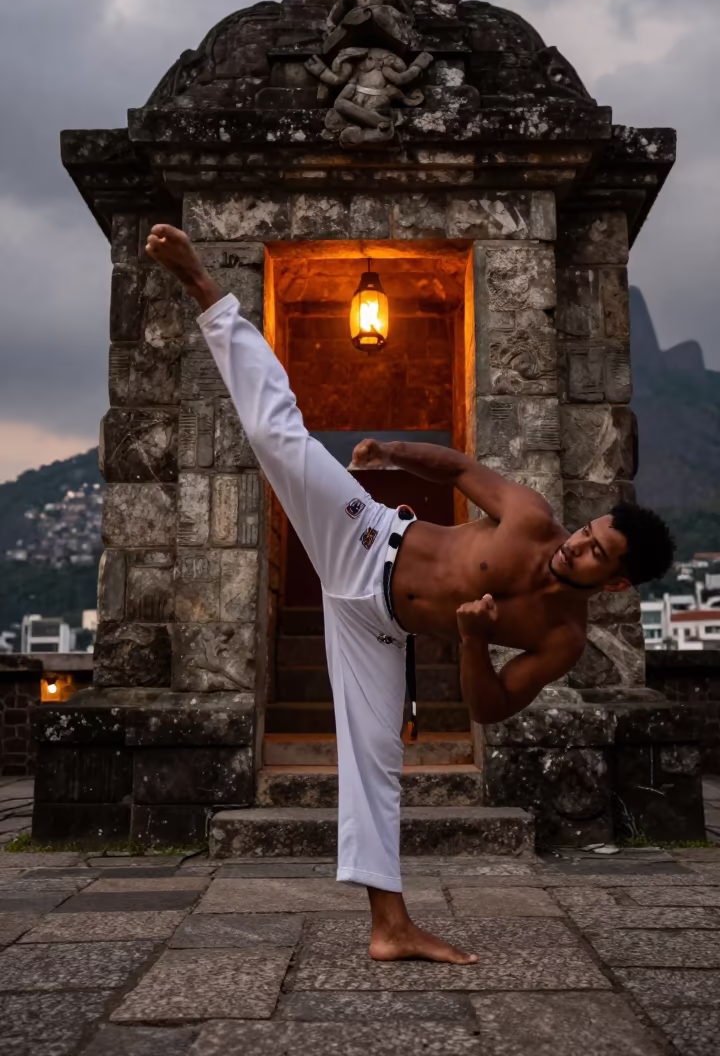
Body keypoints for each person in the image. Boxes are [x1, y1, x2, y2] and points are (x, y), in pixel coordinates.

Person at [146, 224, 675, 964]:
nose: (576, 545)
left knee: (374, 764)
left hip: (378, 626)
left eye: (595, 555)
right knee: (282, 438)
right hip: (365, 537)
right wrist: (391, 450)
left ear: (613, 582)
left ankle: (389, 926)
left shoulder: (561, 638)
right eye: (588, 530)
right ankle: (205, 287)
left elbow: (490, 707)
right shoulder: (529, 516)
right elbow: (461, 469)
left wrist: (467, 640)